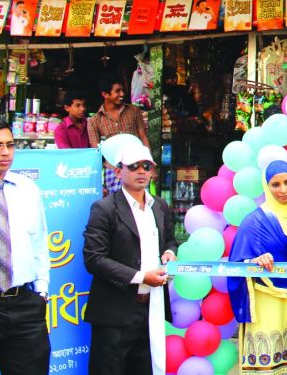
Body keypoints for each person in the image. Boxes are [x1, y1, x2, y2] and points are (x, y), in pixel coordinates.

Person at [83, 145, 176, 375]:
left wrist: (170, 253)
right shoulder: (104, 208)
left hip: (151, 308)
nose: (141, 171)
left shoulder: (159, 205)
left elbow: (170, 241)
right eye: (133, 166)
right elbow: (94, 258)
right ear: (118, 172)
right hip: (115, 311)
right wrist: (141, 277)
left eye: (147, 166)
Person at [227, 160, 287, 373]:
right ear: (266, 186)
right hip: (266, 302)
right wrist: (254, 263)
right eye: (275, 185)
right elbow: (236, 265)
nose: (283, 190)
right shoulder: (255, 221)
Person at [0, 120, 50, 375]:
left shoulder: (26, 188)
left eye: (9, 145)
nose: (5, 152)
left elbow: (39, 241)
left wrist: (41, 292)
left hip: (24, 303)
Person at [89, 75, 151, 196]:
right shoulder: (94, 121)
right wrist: (99, 183)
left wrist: (150, 164)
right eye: (117, 91)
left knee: (140, 203)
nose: (122, 94)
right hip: (112, 170)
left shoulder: (134, 111)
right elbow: (96, 152)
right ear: (105, 94)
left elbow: (143, 137)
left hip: (138, 166)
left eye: (122, 90)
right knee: (116, 206)